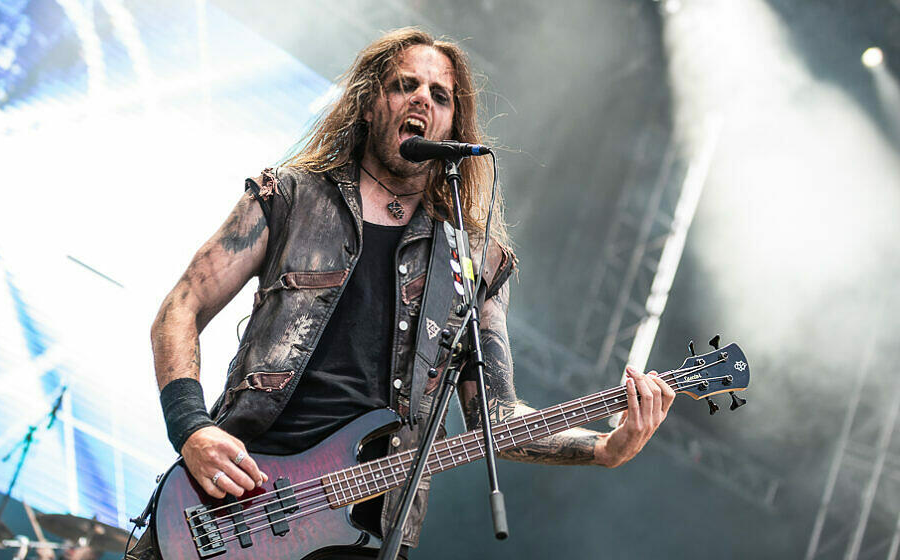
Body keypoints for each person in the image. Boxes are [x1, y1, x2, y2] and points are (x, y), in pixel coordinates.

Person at [127, 27, 674, 560]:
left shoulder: (473, 260)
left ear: (453, 125)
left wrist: (604, 448)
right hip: (236, 499)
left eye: (440, 95)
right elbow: (181, 307)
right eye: (405, 85)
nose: (422, 100)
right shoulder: (291, 197)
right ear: (369, 105)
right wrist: (192, 429)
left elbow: (496, 417)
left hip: (364, 536)